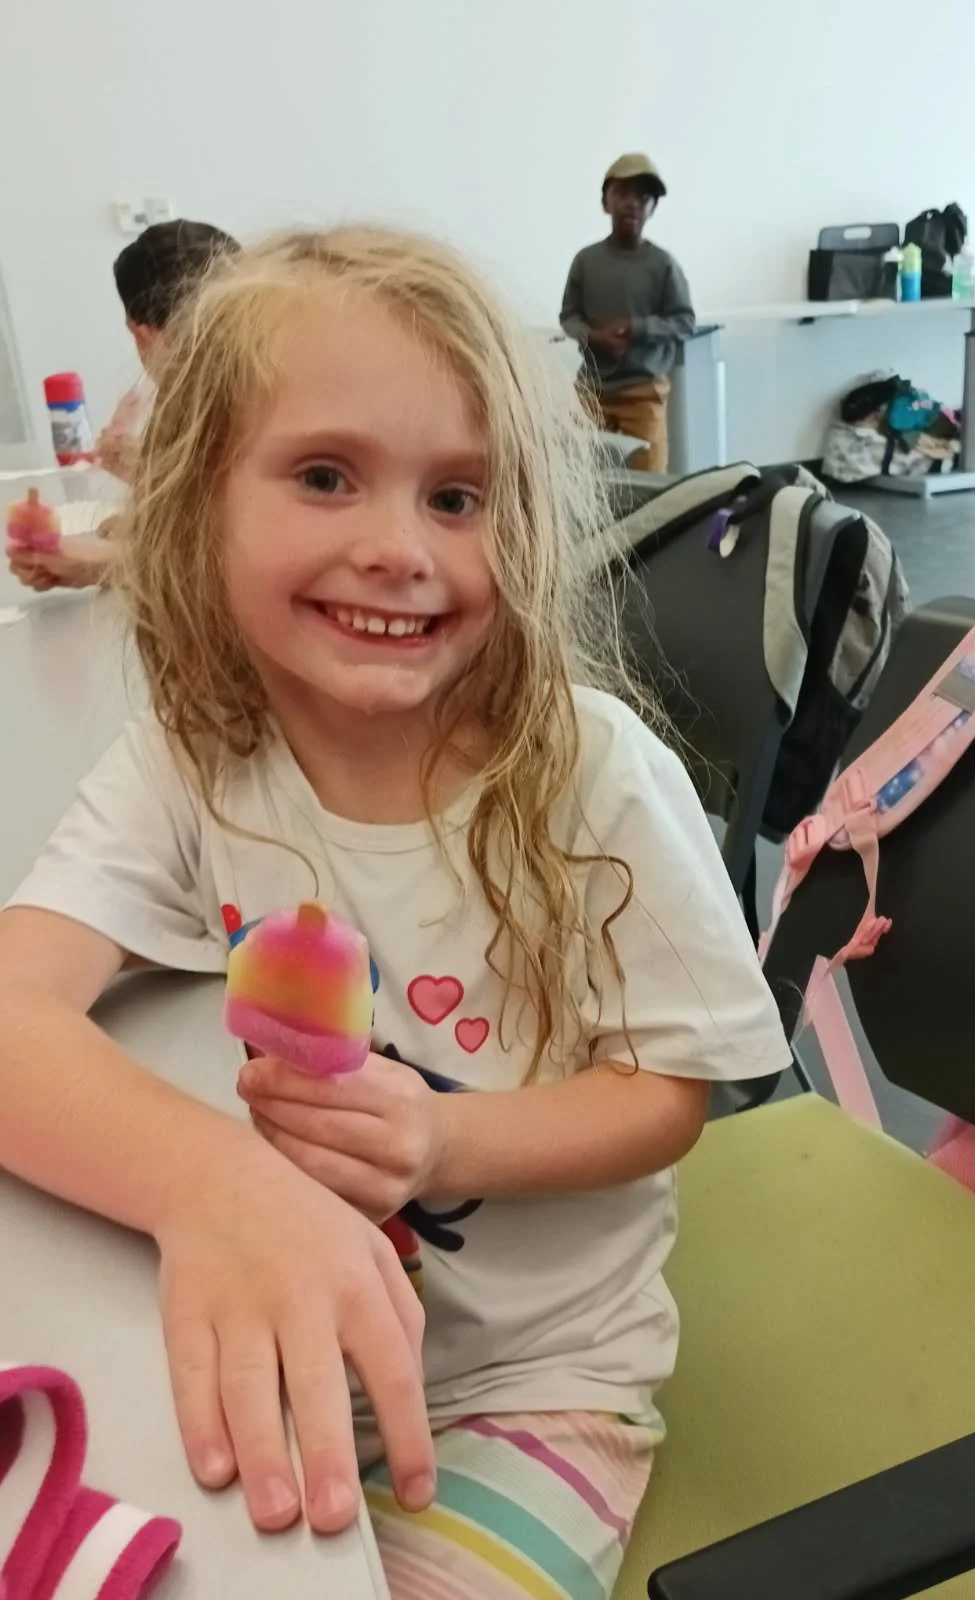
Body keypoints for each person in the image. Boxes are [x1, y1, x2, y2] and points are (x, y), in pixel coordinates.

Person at [0, 227, 790, 1597]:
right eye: (323, 477)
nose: (395, 549)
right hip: (291, 1300)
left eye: (458, 498)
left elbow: (673, 1087)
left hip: (533, 1380)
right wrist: (209, 1182)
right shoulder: (195, 760)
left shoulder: (592, 783)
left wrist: (445, 1135)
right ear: (197, 506)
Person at [7, 219, 238, 593]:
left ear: (142, 334)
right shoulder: (211, 390)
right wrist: (141, 519)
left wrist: (108, 562)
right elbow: (205, 509)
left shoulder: (264, 401)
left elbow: (246, 546)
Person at [560, 154, 695, 473]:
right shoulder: (586, 261)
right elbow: (569, 316)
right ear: (605, 202)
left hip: (643, 393)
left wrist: (636, 328)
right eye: (622, 194)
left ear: (652, 208)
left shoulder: (663, 265)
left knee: (649, 484)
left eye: (643, 196)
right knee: (584, 479)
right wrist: (593, 337)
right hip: (591, 392)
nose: (632, 204)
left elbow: (684, 322)